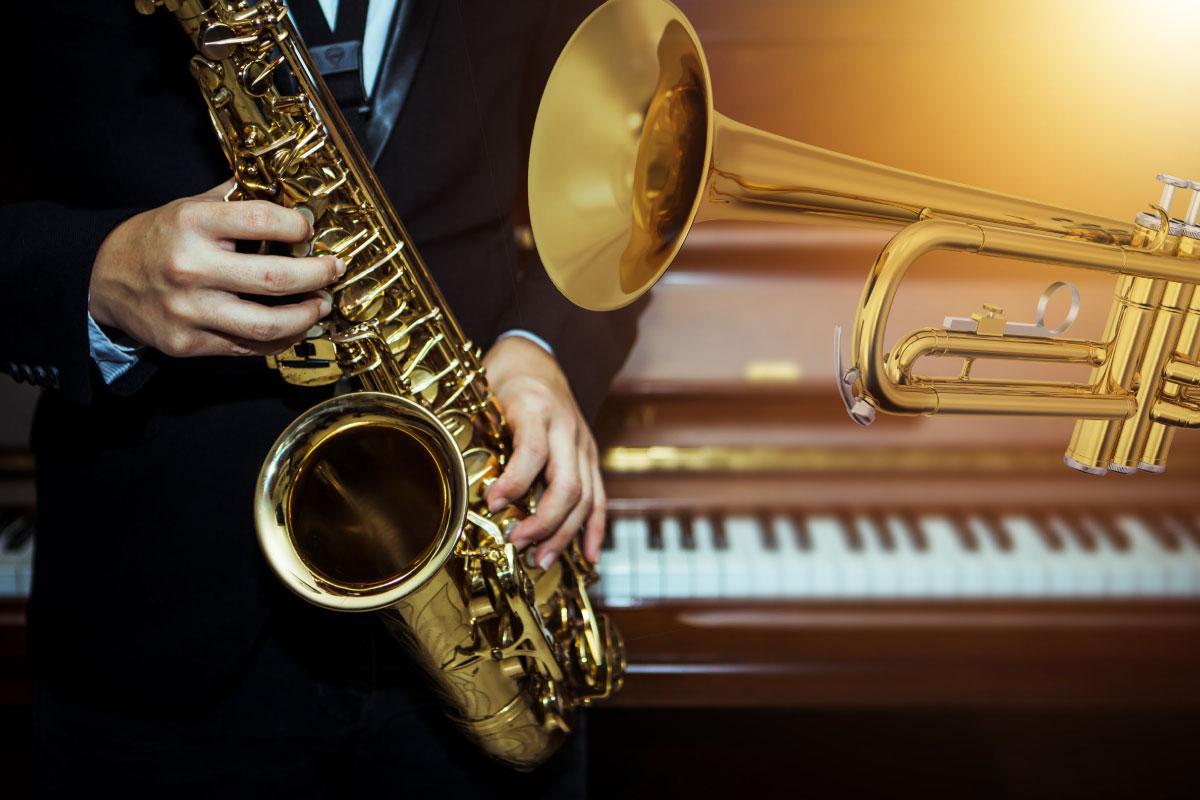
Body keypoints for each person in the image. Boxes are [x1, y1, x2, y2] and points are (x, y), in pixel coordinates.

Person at [0, 0, 641, 795]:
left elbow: (624, 168)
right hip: (156, 632)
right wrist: (93, 275)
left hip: (486, 561)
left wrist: (545, 348)